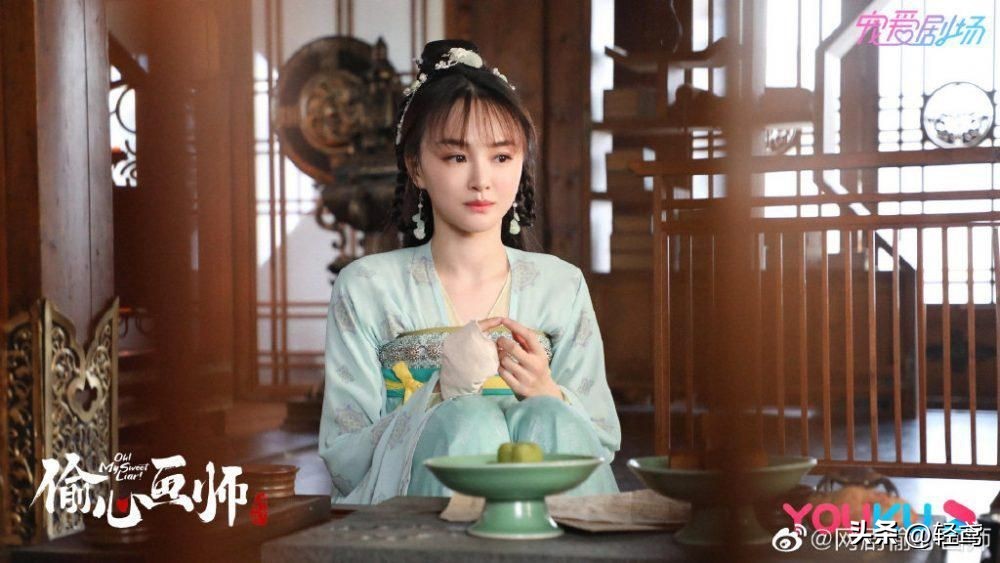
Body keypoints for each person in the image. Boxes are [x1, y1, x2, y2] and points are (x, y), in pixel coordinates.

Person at [319, 39, 621, 504]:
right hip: (412, 514)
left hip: (552, 515)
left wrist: (547, 393)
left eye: (501, 157)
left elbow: (600, 439)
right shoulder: (366, 287)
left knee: (551, 418)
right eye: (457, 157)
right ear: (416, 166)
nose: (482, 180)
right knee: (466, 422)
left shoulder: (562, 286)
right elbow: (344, 458)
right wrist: (440, 393)